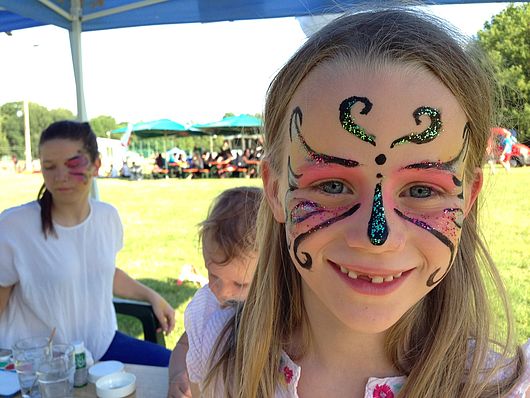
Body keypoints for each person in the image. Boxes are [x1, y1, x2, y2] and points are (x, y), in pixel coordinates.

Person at [185, 7, 530, 398]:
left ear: (468, 199)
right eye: (332, 185)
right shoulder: (220, 354)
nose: (376, 236)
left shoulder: (496, 388)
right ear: (275, 189)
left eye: (421, 191)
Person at [0, 120, 175, 367]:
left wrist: (152, 296)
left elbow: (102, 272)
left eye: (73, 164)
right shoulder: (14, 226)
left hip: (102, 345)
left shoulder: (107, 217)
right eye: (49, 167)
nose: (60, 177)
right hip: (41, 364)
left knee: (185, 371)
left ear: (96, 164)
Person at [167, 186, 262, 398]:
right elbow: (184, 345)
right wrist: (178, 375)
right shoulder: (208, 307)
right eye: (213, 275)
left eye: (240, 284)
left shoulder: (283, 316)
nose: (223, 292)